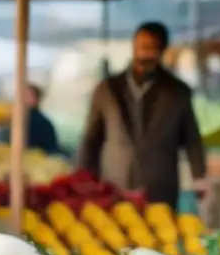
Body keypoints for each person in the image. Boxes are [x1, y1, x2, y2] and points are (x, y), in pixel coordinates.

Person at [79, 21, 206, 207]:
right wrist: (82, 178)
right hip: (113, 187)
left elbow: (191, 138)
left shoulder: (178, 92)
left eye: (150, 47)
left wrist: (199, 176)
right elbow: (90, 139)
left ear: (162, 50)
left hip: (160, 189)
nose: (143, 52)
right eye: (140, 46)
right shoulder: (106, 89)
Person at [24, 84, 61, 155]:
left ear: (36, 99)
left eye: (28, 96)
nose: (24, 99)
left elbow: (50, 148)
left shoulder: (42, 122)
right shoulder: (13, 119)